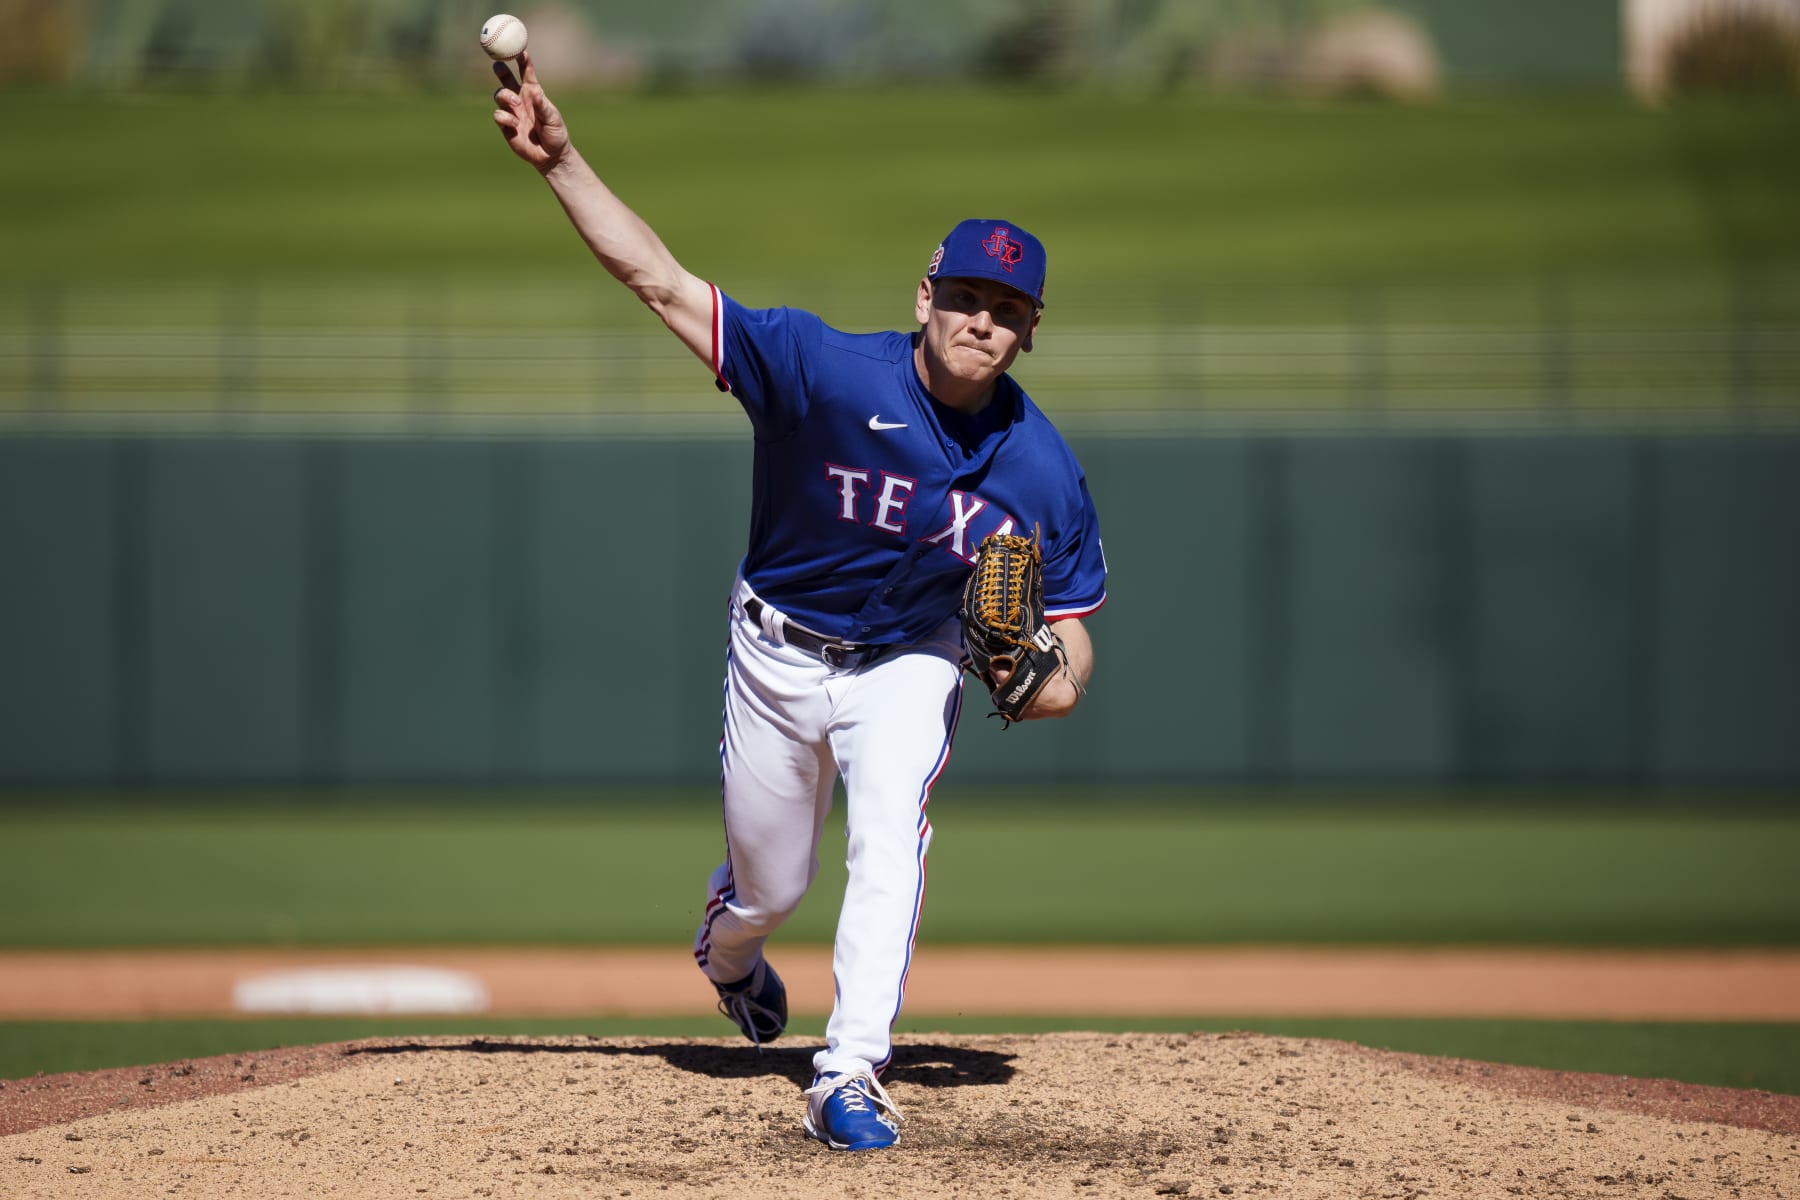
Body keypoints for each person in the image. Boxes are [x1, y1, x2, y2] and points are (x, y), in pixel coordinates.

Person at [490, 52, 1106, 1152]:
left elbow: (1070, 637)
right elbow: (663, 283)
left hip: (912, 660)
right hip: (775, 653)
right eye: (965, 296)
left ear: (1030, 332)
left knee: (891, 843)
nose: (981, 320)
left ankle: (850, 1071)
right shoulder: (822, 370)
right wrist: (565, 161)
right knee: (771, 887)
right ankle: (727, 956)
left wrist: (1046, 683)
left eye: (1006, 310)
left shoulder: (1043, 468)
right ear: (925, 298)